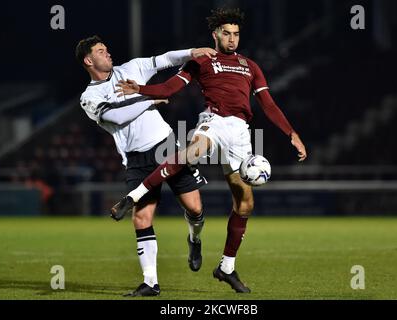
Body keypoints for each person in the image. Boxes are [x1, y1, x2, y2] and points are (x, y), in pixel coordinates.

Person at [111, 8, 307, 293]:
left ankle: (226, 267)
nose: (232, 39)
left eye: (236, 34)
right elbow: (168, 89)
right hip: (213, 121)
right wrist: (139, 88)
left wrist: (292, 133)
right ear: (215, 34)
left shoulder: (250, 66)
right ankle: (134, 196)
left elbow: (268, 104)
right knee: (192, 152)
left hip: (240, 132)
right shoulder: (201, 61)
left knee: (245, 203)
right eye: (226, 33)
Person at [76, 35, 217, 297]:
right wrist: (149, 99)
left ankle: (194, 239)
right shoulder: (89, 96)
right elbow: (114, 116)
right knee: (141, 218)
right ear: (88, 60)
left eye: (106, 49)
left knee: (195, 208)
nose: (108, 54)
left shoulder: (131, 68)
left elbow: (165, 60)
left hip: (166, 145)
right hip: (136, 158)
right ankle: (150, 282)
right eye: (100, 51)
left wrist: (192, 51)